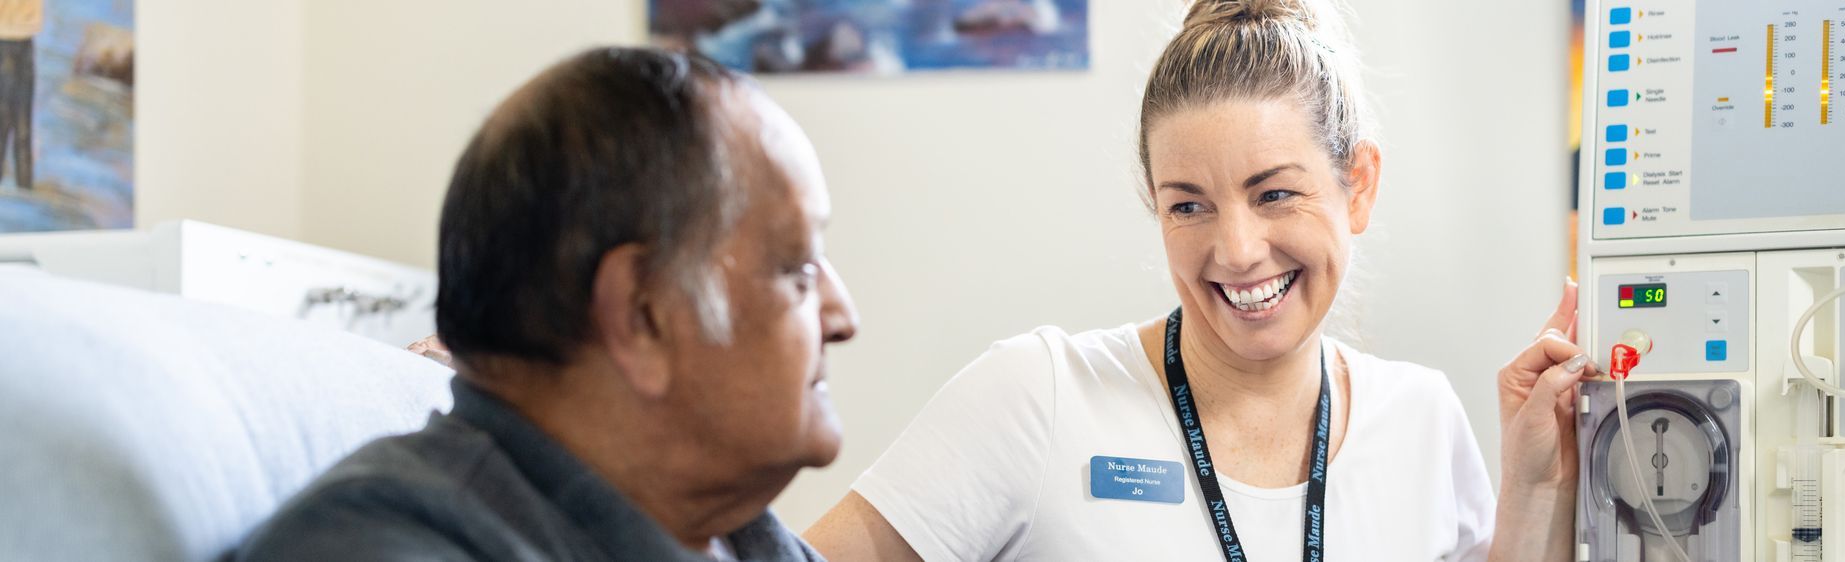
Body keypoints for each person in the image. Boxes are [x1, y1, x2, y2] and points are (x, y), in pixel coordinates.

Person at [802, 0, 1593, 560]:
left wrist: (1533, 488)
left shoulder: (1421, 419)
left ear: (1359, 185)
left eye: (1274, 192)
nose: (1238, 250)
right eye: (1190, 206)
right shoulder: (1041, 394)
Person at [233, 47, 859, 561]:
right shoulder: (380, 546)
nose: (843, 316)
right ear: (642, 314)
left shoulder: (739, 535)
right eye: (797, 269)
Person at [0, 0, 40, 190]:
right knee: (6, 121)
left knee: (22, 126)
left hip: (25, 40)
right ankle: (24, 191)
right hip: (5, 41)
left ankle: (25, 190)